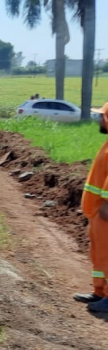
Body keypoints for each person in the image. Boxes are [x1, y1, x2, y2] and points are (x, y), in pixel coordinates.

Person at [75, 102, 108, 311]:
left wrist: (106, 203)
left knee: (107, 254)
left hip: (105, 211)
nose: (99, 120)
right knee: (99, 253)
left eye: (101, 116)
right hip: (98, 211)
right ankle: (99, 292)